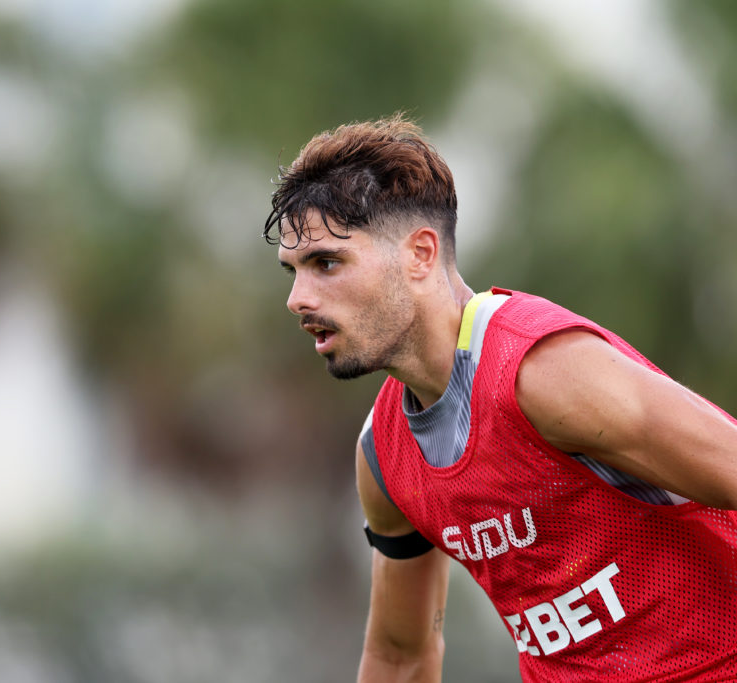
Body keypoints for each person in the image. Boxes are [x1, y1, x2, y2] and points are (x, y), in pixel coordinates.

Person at [264, 113, 737, 682]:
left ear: (420, 254)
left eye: (326, 263)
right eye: (293, 270)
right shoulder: (384, 458)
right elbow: (401, 656)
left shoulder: (543, 374)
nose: (297, 298)